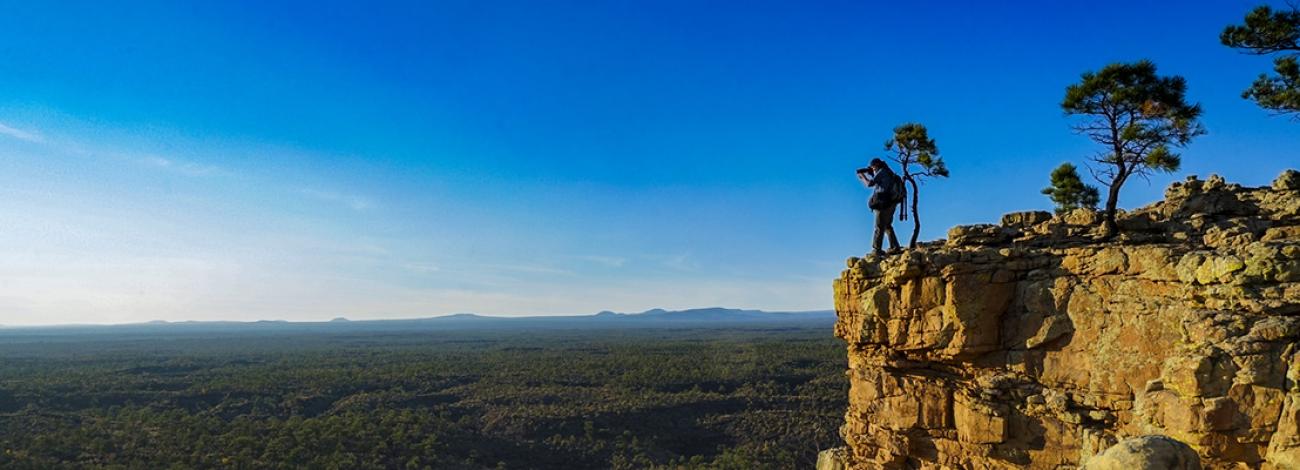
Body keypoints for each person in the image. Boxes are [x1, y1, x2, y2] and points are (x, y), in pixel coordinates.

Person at [857, 158, 902, 257]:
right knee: (887, 225)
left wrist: (862, 176)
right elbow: (879, 181)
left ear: (876, 165)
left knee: (879, 226)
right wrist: (870, 172)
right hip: (892, 202)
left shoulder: (882, 172)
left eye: (873, 167)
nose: (872, 169)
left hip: (883, 202)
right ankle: (895, 247)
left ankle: (876, 249)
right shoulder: (888, 172)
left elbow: (869, 184)